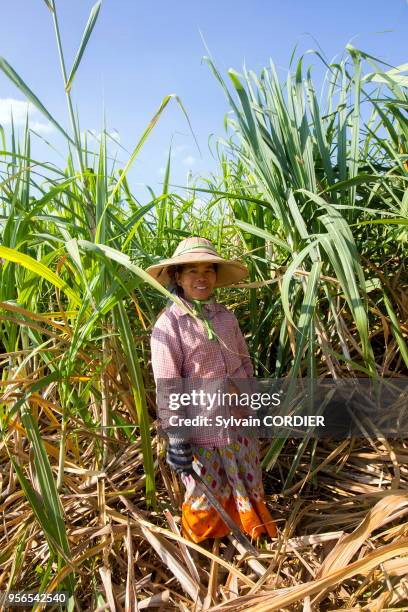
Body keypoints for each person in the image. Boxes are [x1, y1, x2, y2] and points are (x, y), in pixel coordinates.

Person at [147, 237, 277, 543]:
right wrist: (176, 436)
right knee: (204, 500)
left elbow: (244, 366)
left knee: (248, 484)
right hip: (202, 433)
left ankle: (251, 536)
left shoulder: (226, 318)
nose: (201, 277)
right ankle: (203, 553)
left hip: (239, 425)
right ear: (177, 277)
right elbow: (167, 387)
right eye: (192, 271)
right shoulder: (168, 327)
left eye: (208, 270)